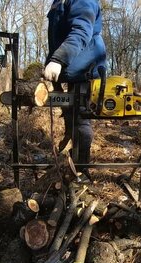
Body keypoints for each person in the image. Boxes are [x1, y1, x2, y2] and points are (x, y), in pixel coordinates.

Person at [43, 0, 106, 175]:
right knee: (70, 112)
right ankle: (72, 156)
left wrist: (58, 60)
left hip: (85, 68)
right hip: (71, 68)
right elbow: (55, 40)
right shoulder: (58, 2)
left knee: (80, 120)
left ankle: (81, 171)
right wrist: (50, 63)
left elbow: (81, 31)